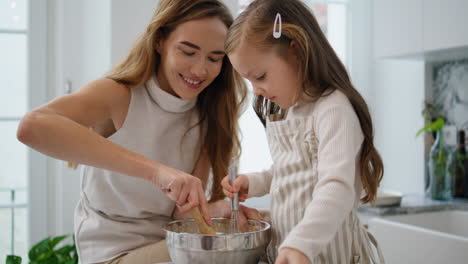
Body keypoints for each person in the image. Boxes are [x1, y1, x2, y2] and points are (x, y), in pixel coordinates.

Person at [16, 1, 262, 263]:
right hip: (112, 255)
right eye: (188, 52)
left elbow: (181, 217)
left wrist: (218, 209)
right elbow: (32, 127)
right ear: (159, 41)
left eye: (215, 58)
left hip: (166, 246)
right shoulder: (118, 94)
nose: (200, 69)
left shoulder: (207, 114)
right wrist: (157, 172)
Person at [222, 0, 385, 263]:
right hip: (291, 251)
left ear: (295, 51)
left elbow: (336, 186)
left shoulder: (333, 110)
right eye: (249, 80)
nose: (257, 90)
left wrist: (301, 244)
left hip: (331, 255)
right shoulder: (286, 111)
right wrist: (255, 183)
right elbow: (291, 170)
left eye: (261, 76)